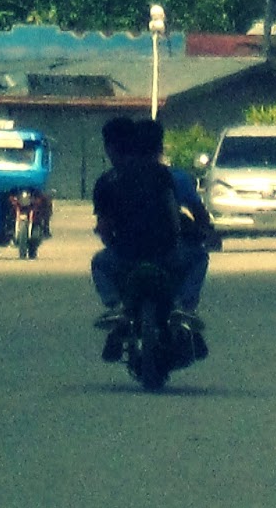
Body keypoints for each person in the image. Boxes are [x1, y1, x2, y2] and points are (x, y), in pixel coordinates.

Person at [91, 116, 212, 361]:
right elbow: (175, 214)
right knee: (199, 257)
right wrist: (185, 235)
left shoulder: (106, 181)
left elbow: (104, 228)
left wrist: (117, 244)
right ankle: (184, 306)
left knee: (100, 262)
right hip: (166, 251)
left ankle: (115, 307)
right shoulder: (165, 175)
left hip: (125, 254)